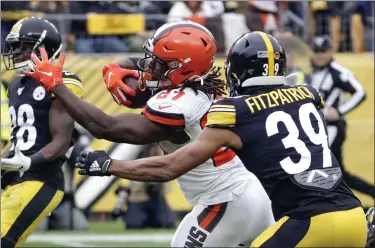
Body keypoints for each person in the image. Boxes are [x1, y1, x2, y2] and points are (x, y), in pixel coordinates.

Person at [75, 31, 367, 247]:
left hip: (305, 222)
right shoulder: (307, 96)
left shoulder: (234, 110)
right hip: (354, 216)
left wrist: (110, 165)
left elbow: (169, 167)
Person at [24, 21, 274, 247]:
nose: (148, 66)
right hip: (254, 194)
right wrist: (117, 66)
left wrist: (57, 85)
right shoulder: (201, 88)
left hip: (226, 201)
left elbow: (106, 127)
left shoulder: (179, 104)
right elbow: (143, 68)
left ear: (179, 67)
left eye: (158, 62)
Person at [0, 17, 83, 247]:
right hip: (18, 179)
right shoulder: (17, 85)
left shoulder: (62, 82)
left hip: (42, 180)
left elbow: (61, 142)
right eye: (14, 47)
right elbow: (20, 138)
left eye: (23, 47)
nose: (15, 53)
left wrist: (28, 161)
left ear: (44, 49)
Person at [310, 35, 375, 199]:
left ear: (330, 51)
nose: (319, 55)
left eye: (323, 51)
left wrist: (340, 110)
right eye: (316, 51)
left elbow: (360, 92)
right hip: (319, 127)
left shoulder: (338, 72)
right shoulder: (313, 71)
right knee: (339, 173)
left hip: (332, 127)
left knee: (322, 166)